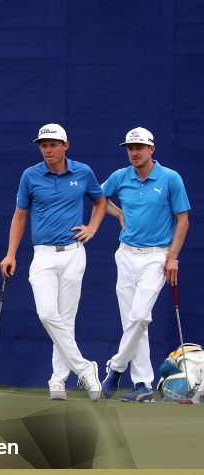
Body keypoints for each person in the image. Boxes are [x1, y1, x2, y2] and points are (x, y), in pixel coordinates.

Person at [0, 123, 107, 400]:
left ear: (65, 145)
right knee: (47, 314)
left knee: (66, 319)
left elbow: (100, 201)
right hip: (43, 255)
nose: (47, 150)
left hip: (73, 252)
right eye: (43, 145)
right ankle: (85, 368)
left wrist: (92, 228)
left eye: (52, 144)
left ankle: (57, 381)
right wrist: (11, 253)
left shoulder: (83, 172)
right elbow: (20, 215)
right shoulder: (30, 176)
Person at [100, 127, 190, 402]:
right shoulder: (120, 176)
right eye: (130, 148)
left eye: (139, 147)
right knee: (134, 323)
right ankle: (143, 386)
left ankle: (115, 368)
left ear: (152, 149)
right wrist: (117, 214)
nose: (134, 153)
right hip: (126, 255)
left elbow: (183, 220)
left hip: (156, 257)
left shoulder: (170, 178)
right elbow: (98, 197)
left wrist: (172, 257)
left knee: (139, 317)